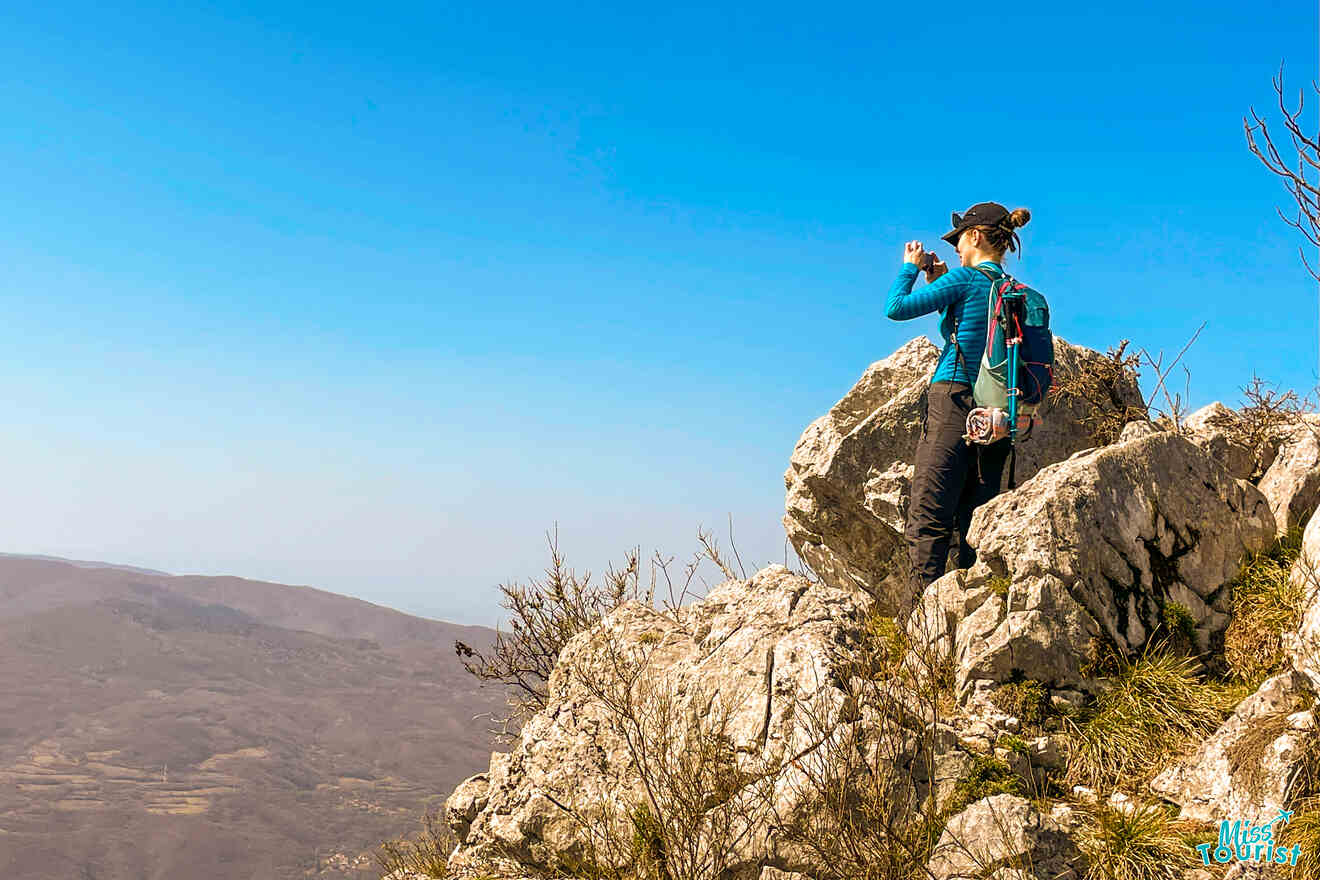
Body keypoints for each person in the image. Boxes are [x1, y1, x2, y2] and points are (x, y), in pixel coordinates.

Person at [886, 201, 1032, 587]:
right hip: (999, 413)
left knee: (929, 515)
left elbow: (895, 307)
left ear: (976, 236)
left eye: (958, 240)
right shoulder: (1013, 290)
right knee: (973, 520)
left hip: (953, 399)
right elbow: (968, 323)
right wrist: (939, 279)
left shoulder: (965, 280)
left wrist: (910, 267)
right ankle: (965, 614)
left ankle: (917, 635)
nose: (954, 248)